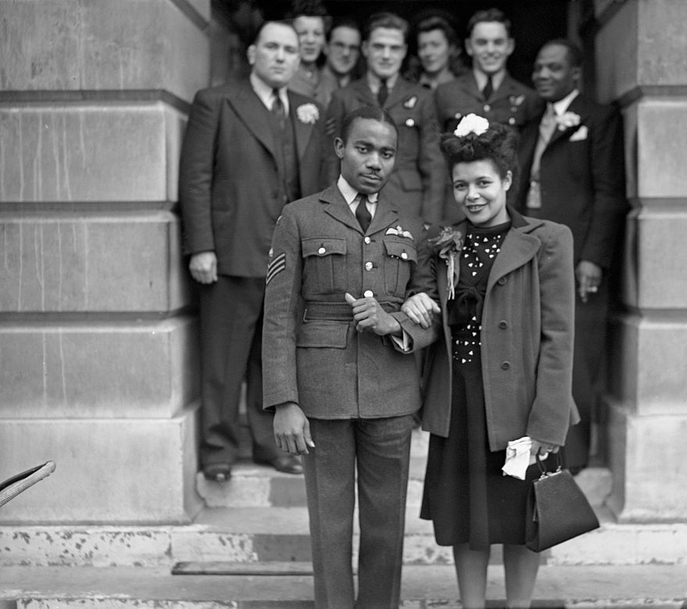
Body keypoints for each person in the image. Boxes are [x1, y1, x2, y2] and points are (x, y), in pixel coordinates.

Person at [262, 106, 439, 609]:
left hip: (391, 390)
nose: (375, 162)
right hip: (322, 392)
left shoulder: (410, 223)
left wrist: (396, 325)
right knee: (330, 525)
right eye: (364, 149)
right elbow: (278, 314)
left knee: (386, 528)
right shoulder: (299, 216)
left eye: (386, 153)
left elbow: (432, 312)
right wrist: (284, 401)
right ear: (340, 147)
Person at [401, 114, 578, 609]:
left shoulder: (547, 239)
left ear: (506, 180)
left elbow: (559, 337)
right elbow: (429, 312)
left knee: (526, 519)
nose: (472, 195)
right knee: (467, 520)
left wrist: (548, 422)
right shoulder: (441, 244)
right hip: (460, 401)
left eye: (483, 182)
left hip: (523, 404)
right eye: (461, 185)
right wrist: (412, 307)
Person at [179, 20, 324, 481]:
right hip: (232, 250)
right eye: (273, 47)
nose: (282, 56)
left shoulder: (308, 110)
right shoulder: (217, 101)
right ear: (252, 54)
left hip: (289, 259)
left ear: (300, 59)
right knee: (223, 358)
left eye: (291, 50)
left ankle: (269, 445)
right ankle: (218, 449)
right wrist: (201, 246)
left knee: (273, 355)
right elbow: (196, 177)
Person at [514, 38, 628, 472]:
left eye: (554, 68)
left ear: (575, 73)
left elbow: (609, 194)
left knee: (576, 355)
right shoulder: (530, 120)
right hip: (531, 251)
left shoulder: (599, 119)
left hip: (577, 255)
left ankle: (572, 459)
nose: (543, 75)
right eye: (539, 68)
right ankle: (536, 449)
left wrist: (593, 258)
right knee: (534, 349)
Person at [323, 12, 447, 226]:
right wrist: (329, 214)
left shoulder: (423, 98)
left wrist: (430, 221)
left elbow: (434, 165)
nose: (386, 55)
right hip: (351, 206)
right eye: (379, 46)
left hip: (406, 204)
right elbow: (331, 162)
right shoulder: (343, 97)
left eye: (395, 48)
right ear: (365, 49)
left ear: (404, 52)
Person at [434, 9, 540, 135]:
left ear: (510, 46)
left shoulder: (529, 98)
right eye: (482, 43)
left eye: (498, 42)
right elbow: (435, 145)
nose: (490, 50)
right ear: (469, 46)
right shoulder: (445, 93)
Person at [286, 0, 338, 108]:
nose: (310, 40)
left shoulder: (330, 84)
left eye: (317, 33)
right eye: (303, 33)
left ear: (324, 40)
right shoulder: (282, 79)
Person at [405, 15, 467, 91]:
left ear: (450, 48)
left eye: (435, 45)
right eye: (422, 46)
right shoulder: (408, 84)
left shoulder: (465, 85)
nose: (428, 52)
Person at [322, 17, 362, 93]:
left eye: (353, 48)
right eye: (339, 45)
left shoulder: (365, 90)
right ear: (326, 47)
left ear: (359, 53)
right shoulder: (307, 84)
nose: (346, 53)